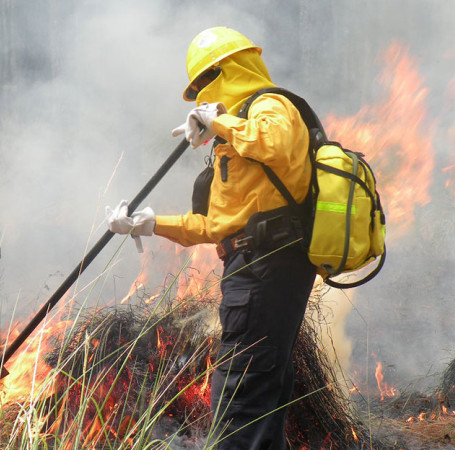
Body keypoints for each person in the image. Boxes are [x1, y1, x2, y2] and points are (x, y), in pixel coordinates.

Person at [106, 26, 316, 449]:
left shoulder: (269, 105)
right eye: (198, 87)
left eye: (206, 79)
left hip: (267, 268)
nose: (201, 93)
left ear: (231, 68)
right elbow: (216, 226)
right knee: (257, 393)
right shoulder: (234, 135)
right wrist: (150, 223)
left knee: (239, 395)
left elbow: (274, 143)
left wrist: (218, 120)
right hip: (253, 268)